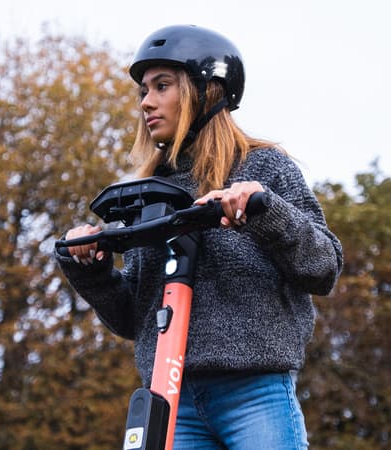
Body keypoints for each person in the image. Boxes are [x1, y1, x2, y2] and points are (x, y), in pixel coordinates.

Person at [56, 24, 342, 449]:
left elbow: (324, 268)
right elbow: (133, 318)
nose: (146, 102)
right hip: (170, 399)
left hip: (254, 392)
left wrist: (266, 211)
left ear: (208, 91)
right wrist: (92, 269)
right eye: (144, 91)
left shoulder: (265, 169)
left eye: (162, 86)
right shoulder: (147, 193)